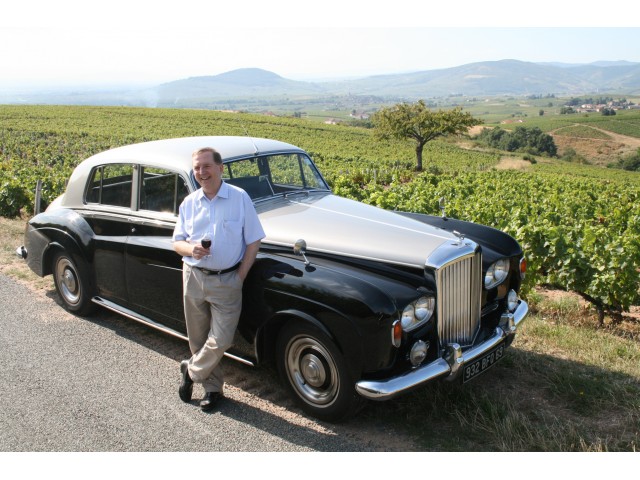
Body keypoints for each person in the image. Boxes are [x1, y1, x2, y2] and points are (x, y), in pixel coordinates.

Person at [172, 147, 265, 411]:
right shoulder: (189, 203)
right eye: (197, 167)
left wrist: (241, 276)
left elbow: (254, 239)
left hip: (227, 280)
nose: (201, 172)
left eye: (206, 166)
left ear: (220, 168)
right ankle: (212, 390)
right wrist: (191, 250)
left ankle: (190, 371)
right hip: (193, 277)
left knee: (222, 339)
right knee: (198, 340)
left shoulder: (239, 198)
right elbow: (176, 242)